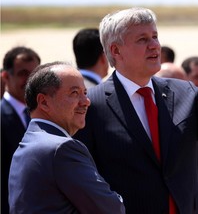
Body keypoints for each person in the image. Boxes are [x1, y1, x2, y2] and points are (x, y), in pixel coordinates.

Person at [74, 7, 198, 214]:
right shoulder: (92, 105)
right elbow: (82, 177)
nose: (154, 46)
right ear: (116, 51)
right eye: (142, 39)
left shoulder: (183, 92)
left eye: (155, 36)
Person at [8, 61, 125, 214]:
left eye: (85, 93)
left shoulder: (27, 145)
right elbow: (112, 209)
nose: (86, 102)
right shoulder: (61, 149)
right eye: (74, 93)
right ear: (44, 102)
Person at [1, 46, 41, 214]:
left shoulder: (46, 114)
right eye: (23, 73)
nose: (30, 80)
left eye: (35, 74)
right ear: (5, 76)